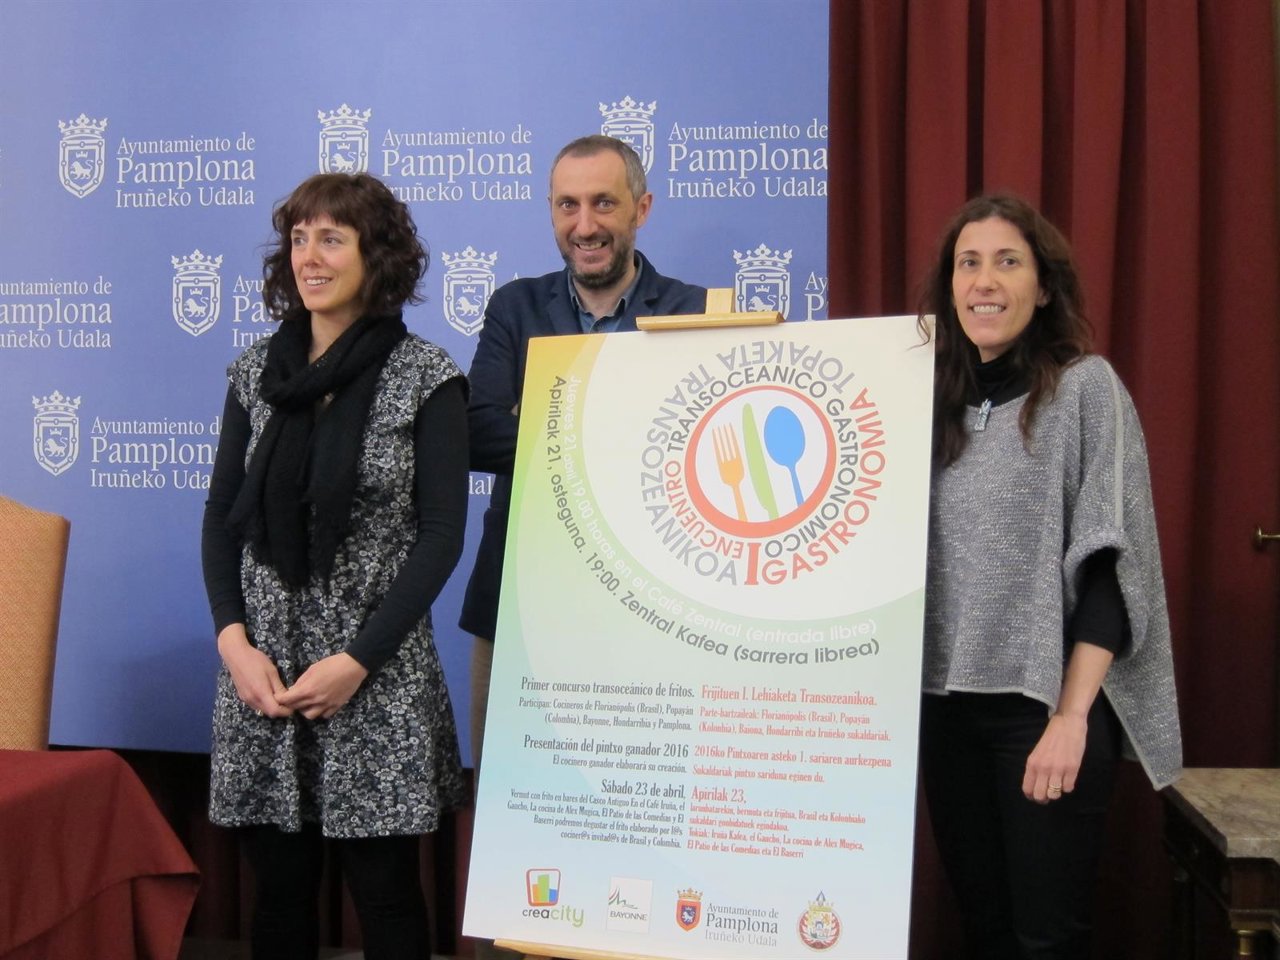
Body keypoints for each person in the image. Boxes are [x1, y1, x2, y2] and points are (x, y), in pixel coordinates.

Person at [201, 172, 469, 960]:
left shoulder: (426, 376)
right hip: (264, 674)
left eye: (332, 238)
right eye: (298, 238)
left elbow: (442, 535)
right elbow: (221, 519)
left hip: (374, 673)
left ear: (374, 256)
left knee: (385, 895)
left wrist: (358, 660)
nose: (308, 257)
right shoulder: (257, 374)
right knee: (278, 895)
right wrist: (233, 645)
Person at [459, 134, 705, 957]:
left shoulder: (696, 311)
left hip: (653, 613)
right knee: (517, 812)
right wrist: (623, 424)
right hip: (523, 602)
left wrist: (558, 418)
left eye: (603, 203)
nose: (585, 223)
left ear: (641, 208)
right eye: (568, 205)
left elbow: (700, 452)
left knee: (642, 820)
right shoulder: (513, 307)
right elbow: (480, 432)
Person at [917, 194, 1182, 959]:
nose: (985, 281)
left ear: (1043, 286)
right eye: (969, 263)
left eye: (1008, 261)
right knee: (986, 932)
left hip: (1041, 711)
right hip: (944, 714)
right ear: (950, 286)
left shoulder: (1084, 390)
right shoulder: (919, 401)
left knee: (1047, 941)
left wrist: (1070, 719)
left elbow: (1113, 566)